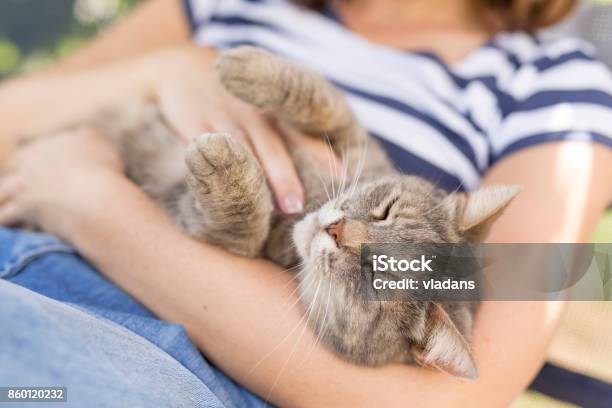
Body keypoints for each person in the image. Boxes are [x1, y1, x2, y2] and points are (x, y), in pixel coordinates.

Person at [1, 0, 612, 406]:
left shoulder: (550, 86)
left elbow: (450, 398)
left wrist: (95, 208)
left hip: (159, 362)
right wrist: (163, 71)